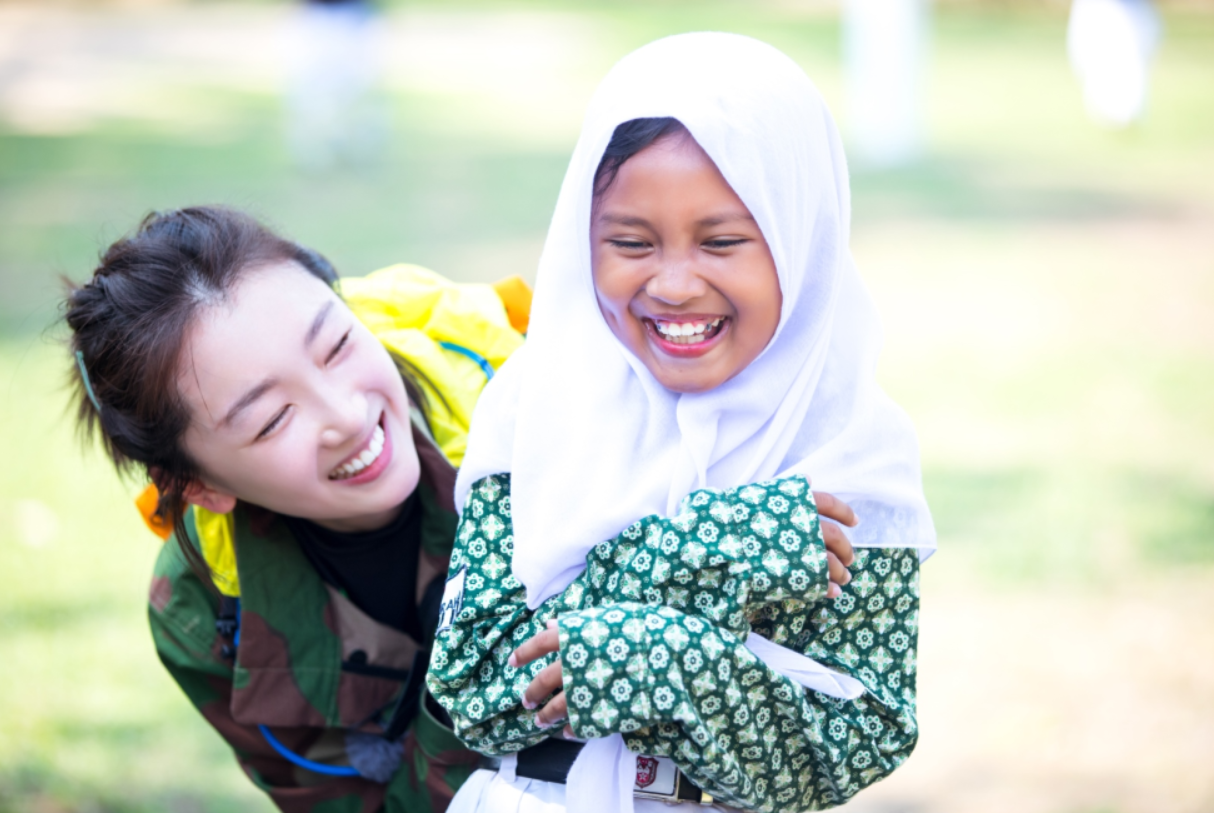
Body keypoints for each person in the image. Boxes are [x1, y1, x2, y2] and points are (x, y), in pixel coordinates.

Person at [426, 33, 935, 813]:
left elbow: (856, 738)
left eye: (722, 241)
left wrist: (672, 660)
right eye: (630, 242)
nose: (671, 283)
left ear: (801, 239)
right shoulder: (536, 404)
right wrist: (703, 547)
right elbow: (470, 684)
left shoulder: (851, 447)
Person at [63, 206, 529, 812]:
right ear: (199, 487)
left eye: (336, 344)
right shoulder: (203, 616)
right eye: (273, 419)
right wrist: (454, 703)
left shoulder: (531, 400)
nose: (346, 416)